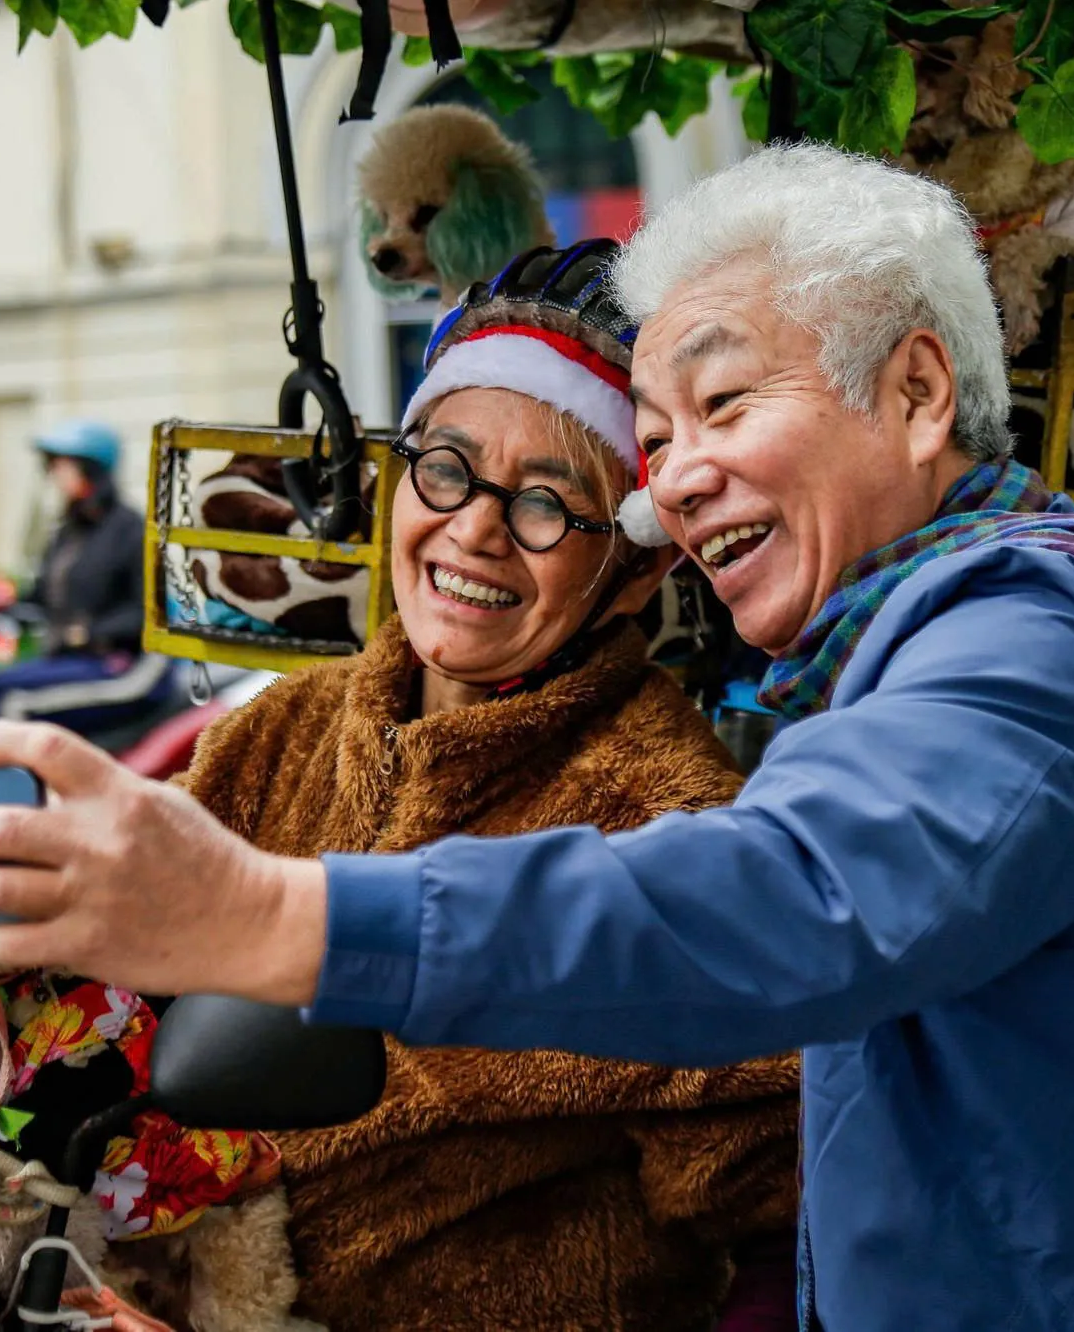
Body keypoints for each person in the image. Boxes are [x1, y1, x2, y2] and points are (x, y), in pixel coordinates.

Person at [0, 146, 1074, 1330]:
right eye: (658, 442)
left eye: (723, 407)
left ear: (921, 391)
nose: (672, 483)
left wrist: (271, 916)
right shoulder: (889, 663)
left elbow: (788, 901)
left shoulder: (1037, 644)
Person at [134, 242, 799, 1330]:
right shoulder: (278, 733)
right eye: (445, 468)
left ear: (632, 572)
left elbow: (774, 1200)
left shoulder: (667, 823)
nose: (475, 528)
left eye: (546, 503)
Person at [0, 419, 173, 736]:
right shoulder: (68, 532)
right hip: (73, 661)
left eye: (63, 465)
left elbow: (148, 613)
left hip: (121, 667)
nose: (55, 475)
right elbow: (41, 597)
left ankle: (31, 788)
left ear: (91, 469)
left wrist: (88, 632)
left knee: (10, 703)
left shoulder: (131, 530)